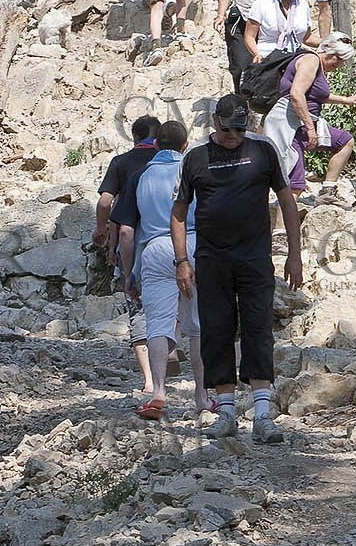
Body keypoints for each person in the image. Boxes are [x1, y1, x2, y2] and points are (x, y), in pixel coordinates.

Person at [172, 92, 303, 443]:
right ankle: (225, 411)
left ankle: (263, 414)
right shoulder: (196, 157)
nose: (233, 136)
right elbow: (179, 213)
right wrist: (182, 260)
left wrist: (295, 252)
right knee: (216, 330)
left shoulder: (262, 150)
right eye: (227, 129)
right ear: (215, 122)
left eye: (239, 130)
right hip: (212, 259)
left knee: (259, 327)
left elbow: (286, 198)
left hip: (255, 257)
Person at [112, 119, 209, 420]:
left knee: (157, 324)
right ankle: (202, 396)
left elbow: (126, 232)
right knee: (197, 326)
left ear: (155, 145)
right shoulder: (194, 170)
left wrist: (130, 272)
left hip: (154, 250)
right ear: (185, 146)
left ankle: (158, 393)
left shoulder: (139, 177)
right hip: (193, 246)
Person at [93, 117, 161, 398]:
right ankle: (171, 354)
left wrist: (101, 233)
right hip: (169, 243)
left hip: (131, 244)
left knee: (137, 306)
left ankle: (148, 379)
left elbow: (105, 202)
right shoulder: (170, 163)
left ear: (134, 136)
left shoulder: (120, 163)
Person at [262, 35, 356, 205]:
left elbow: (317, 95)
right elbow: (296, 94)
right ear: (328, 51)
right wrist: (311, 129)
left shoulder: (317, 65)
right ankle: (280, 229)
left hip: (305, 123)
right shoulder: (311, 61)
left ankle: (328, 190)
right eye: (337, 59)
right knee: (294, 183)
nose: (338, 64)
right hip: (290, 126)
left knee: (344, 141)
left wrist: (346, 100)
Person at [244, 0, 317, 63]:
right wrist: (256, 54)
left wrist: (329, 42)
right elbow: (249, 36)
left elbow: (307, 37)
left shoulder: (303, 5)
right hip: (267, 58)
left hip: (293, 58)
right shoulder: (262, 4)